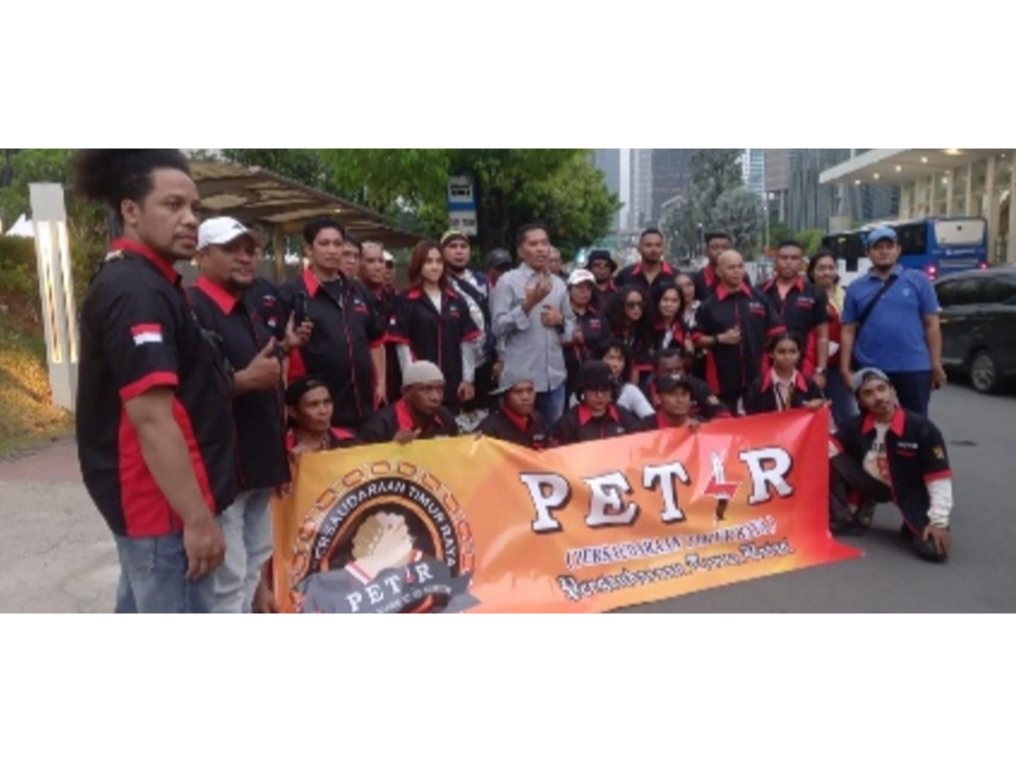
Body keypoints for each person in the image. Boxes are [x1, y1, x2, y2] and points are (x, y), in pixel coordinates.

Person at [72, 149, 236, 614]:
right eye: (172, 205)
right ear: (130, 210)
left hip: (161, 514)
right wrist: (197, 520)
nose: (190, 219)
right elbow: (152, 420)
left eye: (195, 208)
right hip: (164, 517)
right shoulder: (136, 291)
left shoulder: (149, 281)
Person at [189, 216, 311, 613]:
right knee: (226, 582)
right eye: (230, 249)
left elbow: (265, 377)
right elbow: (188, 392)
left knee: (252, 568)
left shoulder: (247, 307)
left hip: (258, 469)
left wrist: (285, 349)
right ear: (201, 255)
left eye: (250, 249)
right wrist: (241, 381)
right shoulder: (193, 308)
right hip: (225, 474)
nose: (244, 258)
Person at [828, 368, 953, 562]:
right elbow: (824, 446)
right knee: (831, 459)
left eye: (881, 389)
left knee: (934, 551)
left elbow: (939, 479)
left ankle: (912, 523)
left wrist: (939, 522)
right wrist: (816, 413)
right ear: (860, 402)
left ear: (892, 390)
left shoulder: (922, 428)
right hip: (872, 483)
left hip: (911, 492)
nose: (878, 397)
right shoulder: (854, 425)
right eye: (868, 393)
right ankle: (844, 518)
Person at [278, 216, 387, 428]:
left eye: (337, 244)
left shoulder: (358, 290)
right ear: (308, 249)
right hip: (315, 409)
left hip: (363, 404)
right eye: (324, 243)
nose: (332, 250)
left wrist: (381, 383)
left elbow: (376, 341)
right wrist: (282, 399)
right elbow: (282, 353)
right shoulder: (290, 294)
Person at [839, 226, 946, 417]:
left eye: (889, 247)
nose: (884, 251)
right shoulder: (856, 288)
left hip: (914, 366)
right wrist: (845, 369)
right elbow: (848, 330)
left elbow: (932, 324)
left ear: (898, 250)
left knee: (914, 422)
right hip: (870, 367)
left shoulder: (918, 280)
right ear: (868, 253)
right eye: (878, 247)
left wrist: (935, 364)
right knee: (871, 422)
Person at [491, 222, 575, 424]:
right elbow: (497, 328)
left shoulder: (559, 284)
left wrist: (560, 321)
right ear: (521, 251)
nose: (541, 249)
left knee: (552, 437)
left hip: (554, 381)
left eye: (545, 243)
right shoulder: (507, 282)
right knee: (517, 436)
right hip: (520, 384)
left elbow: (571, 327)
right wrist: (528, 305)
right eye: (533, 244)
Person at [389, 240, 481, 415]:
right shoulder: (405, 300)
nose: (434, 267)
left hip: (452, 383)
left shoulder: (456, 299)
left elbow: (467, 342)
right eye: (428, 261)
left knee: (450, 426)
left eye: (439, 261)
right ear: (418, 265)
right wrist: (411, 381)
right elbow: (402, 346)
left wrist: (468, 379)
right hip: (421, 385)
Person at [692, 250, 783, 414]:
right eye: (731, 267)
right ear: (719, 271)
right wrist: (719, 339)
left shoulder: (761, 299)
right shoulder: (708, 306)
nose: (737, 271)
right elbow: (696, 339)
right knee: (727, 425)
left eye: (740, 266)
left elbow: (777, 334)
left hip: (758, 377)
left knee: (760, 424)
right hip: (722, 383)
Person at [441, 230, 494, 427]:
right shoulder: (440, 281)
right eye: (453, 247)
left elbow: (492, 318)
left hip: (484, 359)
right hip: (454, 361)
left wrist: (497, 357)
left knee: (483, 415)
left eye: (463, 247)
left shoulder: (481, 280)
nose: (459, 251)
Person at [759, 240, 830, 385]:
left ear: (802, 263)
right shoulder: (759, 292)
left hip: (804, 367)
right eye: (784, 258)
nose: (788, 262)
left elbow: (823, 336)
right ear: (776, 261)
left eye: (794, 258)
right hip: (764, 367)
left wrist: (821, 370)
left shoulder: (815, 293)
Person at [808, 249, 857, 428]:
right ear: (812, 272)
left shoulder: (847, 296)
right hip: (809, 366)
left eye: (830, 267)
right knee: (809, 416)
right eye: (821, 268)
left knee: (846, 416)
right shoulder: (804, 295)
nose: (826, 272)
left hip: (839, 365)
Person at [360, 361, 460, 443]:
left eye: (440, 389)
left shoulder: (445, 417)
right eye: (426, 389)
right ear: (405, 392)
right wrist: (392, 448)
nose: (435, 397)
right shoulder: (379, 427)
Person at [551, 360, 645, 445]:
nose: (599, 396)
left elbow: (637, 444)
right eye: (593, 390)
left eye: (605, 390)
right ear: (583, 391)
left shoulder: (623, 415)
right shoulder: (568, 422)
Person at [743, 332, 826, 415]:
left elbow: (822, 412)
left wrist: (819, 406)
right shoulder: (758, 386)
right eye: (781, 352)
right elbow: (748, 417)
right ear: (771, 354)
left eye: (792, 352)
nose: (787, 357)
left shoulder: (809, 385)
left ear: (799, 354)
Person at [562, 268, 611, 401]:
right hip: (565, 375)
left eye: (588, 288)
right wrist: (571, 341)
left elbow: (606, 343)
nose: (584, 292)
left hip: (592, 376)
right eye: (579, 288)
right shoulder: (561, 314)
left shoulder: (598, 316)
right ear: (569, 289)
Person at [284, 376, 361, 454]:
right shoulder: (283, 448)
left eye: (327, 402)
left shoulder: (349, 440)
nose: (323, 411)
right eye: (313, 405)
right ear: (293, 412)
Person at [478, 369, 551, 449]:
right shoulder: (489, 429)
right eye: (518, 392)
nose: (525, 397)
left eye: (530, 390)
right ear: (505, 395)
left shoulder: (539, 420)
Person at [603, 284, 655, 390]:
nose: (637, 309)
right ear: (620, 306)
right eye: (631, 305)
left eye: (640, 305)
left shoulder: (642, 329)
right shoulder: (608, 328)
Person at [613, 228, 676, 302]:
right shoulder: (625, 276)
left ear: (663, 249)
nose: (653, 249)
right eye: (648, 245)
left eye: (658, 245)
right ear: (639, 248)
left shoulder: (675, 276)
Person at [692, 231, 752, 301]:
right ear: (706, 251)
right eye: (715, 248)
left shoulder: (741, 276)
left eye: (725, 247)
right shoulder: (697, 280)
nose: (720, 251)